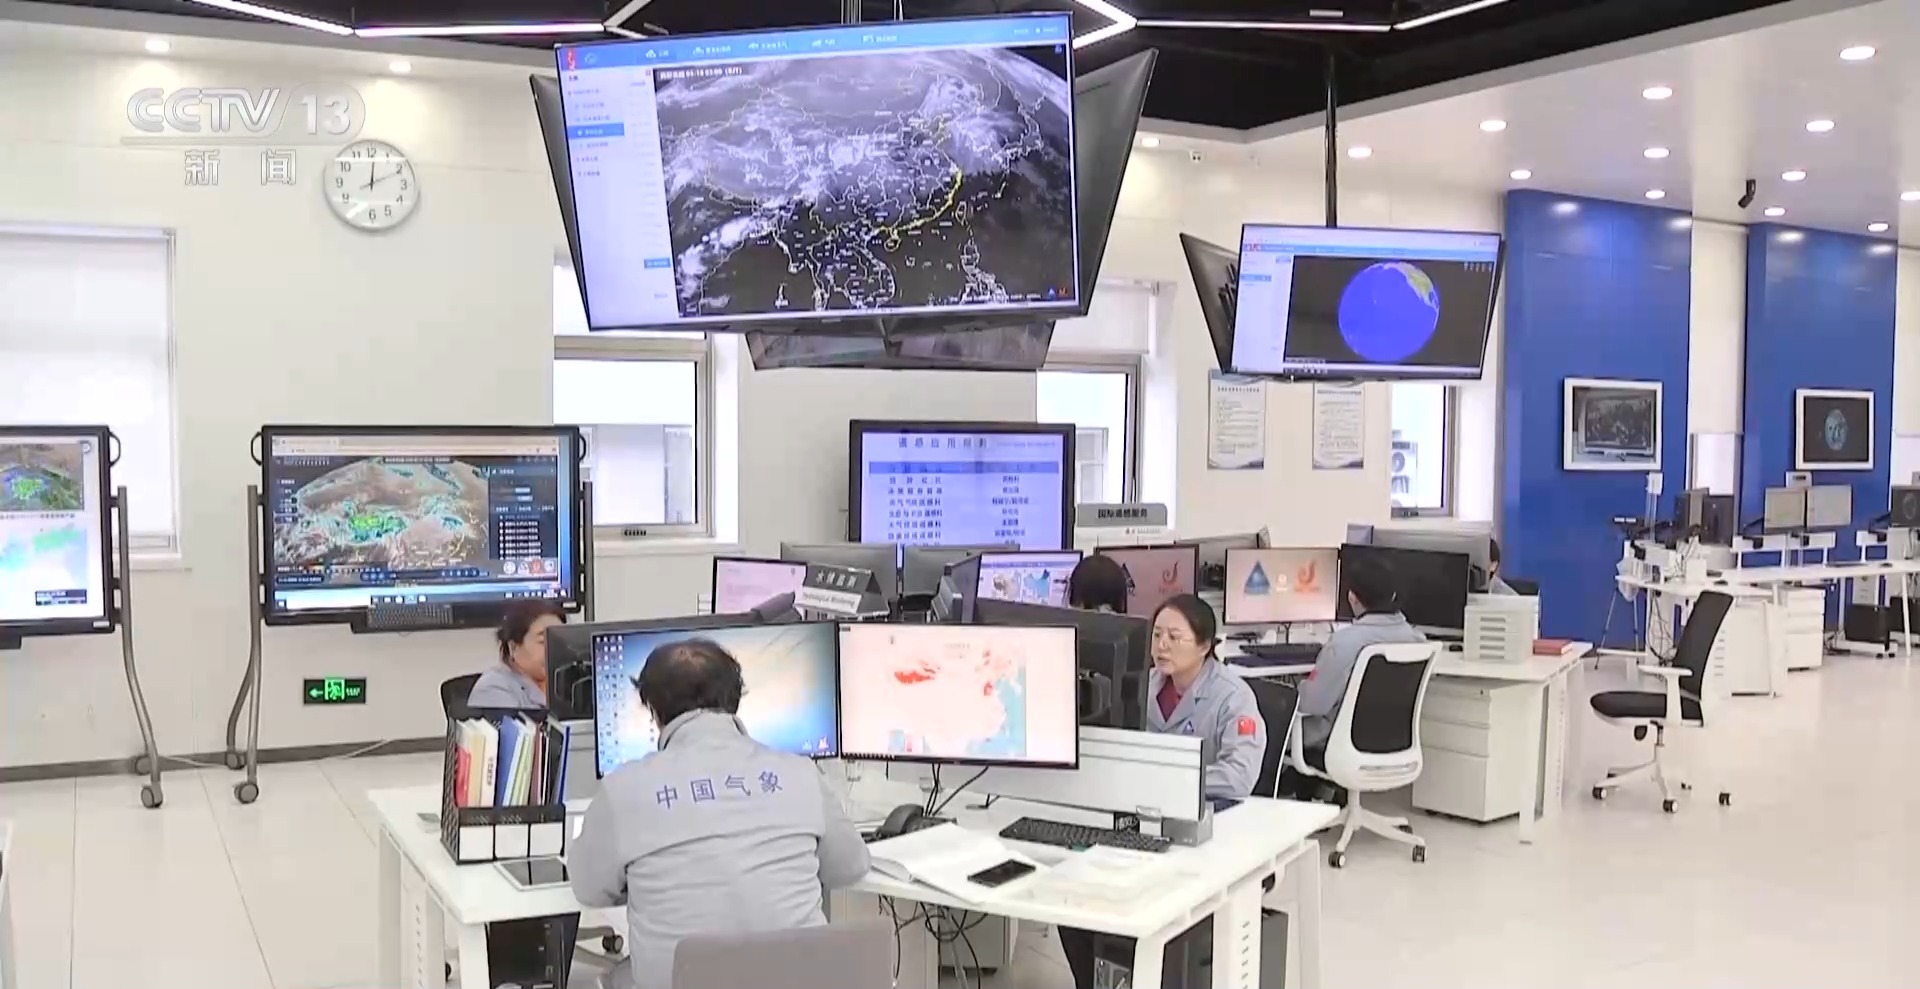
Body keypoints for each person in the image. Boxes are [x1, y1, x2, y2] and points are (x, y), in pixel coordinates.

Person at [569, 638, 871, 989]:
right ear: (735, 700)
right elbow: (851, 866)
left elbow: (589, 890)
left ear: (654, 711)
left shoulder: (623, 789)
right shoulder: (801, 773)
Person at [1058, 593, 1266, 989]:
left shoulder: (1233, 697)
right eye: (1156, 635)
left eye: (1174, 637)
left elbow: (1239, 777)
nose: (1161, 646)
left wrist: (1169, 780)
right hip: (1140, 820)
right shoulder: (1143, 683)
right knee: (1073, 897)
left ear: (1204, 646)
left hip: (1202, 827)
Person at [1289, 555, 1427, 777]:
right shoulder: (1417, 641)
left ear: (1352, 597)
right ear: (1393, 595)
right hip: (1392, 744)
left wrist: (1292, 687)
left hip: (1333, 744)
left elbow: (1311, 704)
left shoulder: (1344, 643)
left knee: (1265, 723)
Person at [467, 599, 566, 709]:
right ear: (513, 647)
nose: (554, 649)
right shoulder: (492, 689)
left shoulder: (568, 683)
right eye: (543, 641)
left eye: (559, 641)